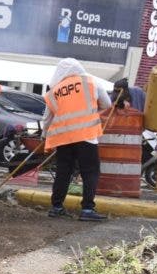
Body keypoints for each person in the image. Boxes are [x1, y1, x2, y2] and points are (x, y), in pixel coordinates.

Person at [43, 58, 111, 221]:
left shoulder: (54, 90)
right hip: (86, 135)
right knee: (90, 172)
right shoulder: (91, 82)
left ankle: (56, 207)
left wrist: (44, 136)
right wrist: (93, 109)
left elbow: (47, 117)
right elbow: (107, 104)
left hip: (63, 137)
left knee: (63, 172)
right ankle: (87, 209)